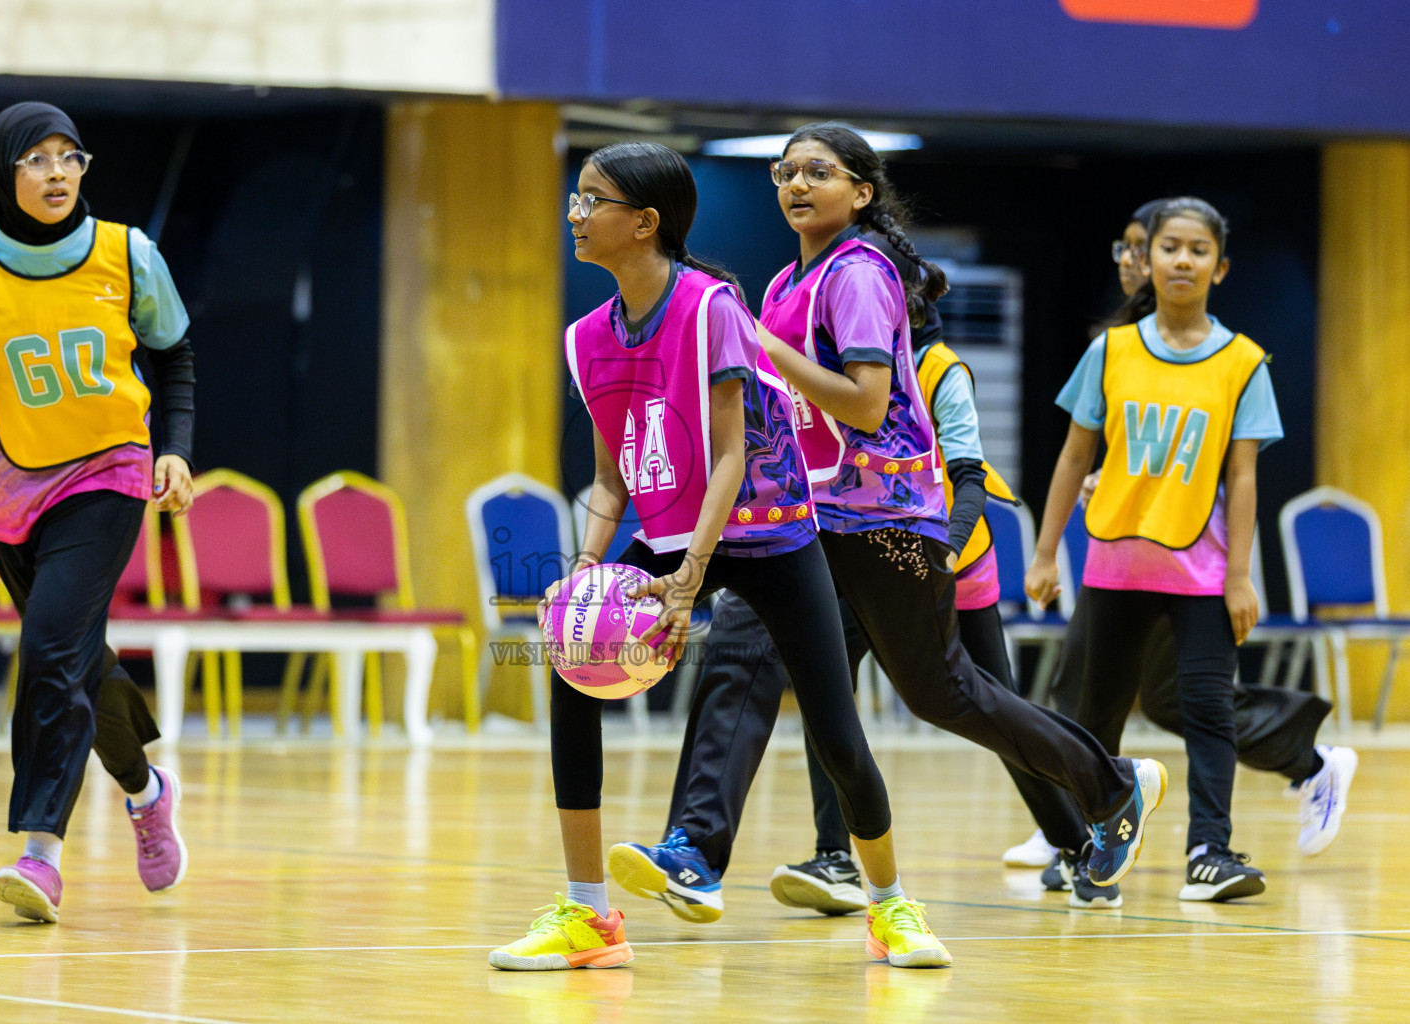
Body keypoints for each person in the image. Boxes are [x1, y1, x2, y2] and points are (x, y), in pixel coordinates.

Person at [608, 122, 1165, 927]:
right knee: (740, 653)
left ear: (861, 192)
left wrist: (760, 346)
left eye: (818, 172)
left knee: (945, 693)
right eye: (784, 172)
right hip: (803, 518)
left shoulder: (859, 273)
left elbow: (865, 404)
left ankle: (1110, 784)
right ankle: (692, 851)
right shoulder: (783, 287)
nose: (796, 185)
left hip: (886, 519)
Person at [488, 141, 950, 972]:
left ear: (644, 223)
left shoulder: (712, 309)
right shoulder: (586, 337)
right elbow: (608, 473)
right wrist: (589, 567)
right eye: (576, 198)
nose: (575, 213)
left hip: (768, 531)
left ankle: (892, 907)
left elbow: (731, 454)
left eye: (592, 200)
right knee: (569, 671)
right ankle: (589, 916)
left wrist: (692, 573)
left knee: (837, 736)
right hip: (666, 530)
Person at [1003, 200, 1354, 882]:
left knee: (1205, 712)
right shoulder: (1110, 350)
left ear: (1219, 267)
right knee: (1091, 717)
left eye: (1198, 250)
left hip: (1200, 567)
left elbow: (1243, 477)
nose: (1182, 260)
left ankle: (1209, 852)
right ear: (1148, 259)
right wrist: (1045, 553)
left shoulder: (1243, 361)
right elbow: (1074, 458)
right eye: (1169, 247)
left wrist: (1241, 575)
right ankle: (1087, 845)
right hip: (1112, 563)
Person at [0, 102, 194, 923]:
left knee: (47, 649)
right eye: (35, 160)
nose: (56, 173)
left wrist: (174, 447)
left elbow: (173, 354)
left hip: (108, 474)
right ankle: (147, 793)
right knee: (74, 658)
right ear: (3, 173)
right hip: (11, 489)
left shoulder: (127, 252)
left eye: (69, 157)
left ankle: (40, 853)